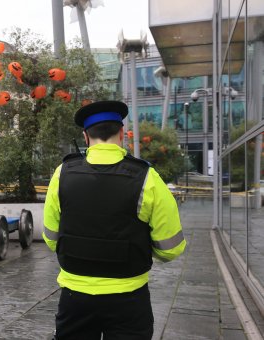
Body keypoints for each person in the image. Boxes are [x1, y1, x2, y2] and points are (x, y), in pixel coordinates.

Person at [43, 101, 186, 339]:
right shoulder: (147, 177)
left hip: (74, 297)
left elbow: (51, 238)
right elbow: (171, 248)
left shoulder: (62, 174)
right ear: (121, 134)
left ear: (85, 137)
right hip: (129, 298)